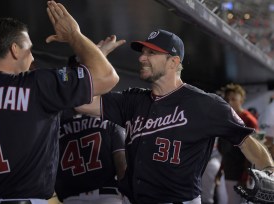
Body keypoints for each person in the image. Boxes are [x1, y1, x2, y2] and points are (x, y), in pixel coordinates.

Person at [76, 29, 274, 204]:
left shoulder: (205, 104)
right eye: (143, 53)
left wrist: (269, 172)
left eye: (151, 53)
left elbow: (246, 141)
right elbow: (81, 102)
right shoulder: (133, 100)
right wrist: (98, 55)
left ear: (174, 61)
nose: (142, 58)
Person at [0, 1, 119, 203]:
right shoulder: (35, 84)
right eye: (29, 50)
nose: (31, 58)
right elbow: (107, 77)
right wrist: (74, 34)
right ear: (15, 49)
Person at [55, 110, 126, 204]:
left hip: (72, 197)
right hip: (108, 195)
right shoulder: (110, 120)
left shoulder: (57, 125)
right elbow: (121, 164)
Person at [217, 83, 259, 204]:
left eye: (234, 99)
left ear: (241, 100)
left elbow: (254, 151)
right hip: (230, 172)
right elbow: (224, 149)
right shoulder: (226, 119)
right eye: (227, 99)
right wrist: (221, 170)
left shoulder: (249, 120)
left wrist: (246, 176)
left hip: (243, 175)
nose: (229, 102)